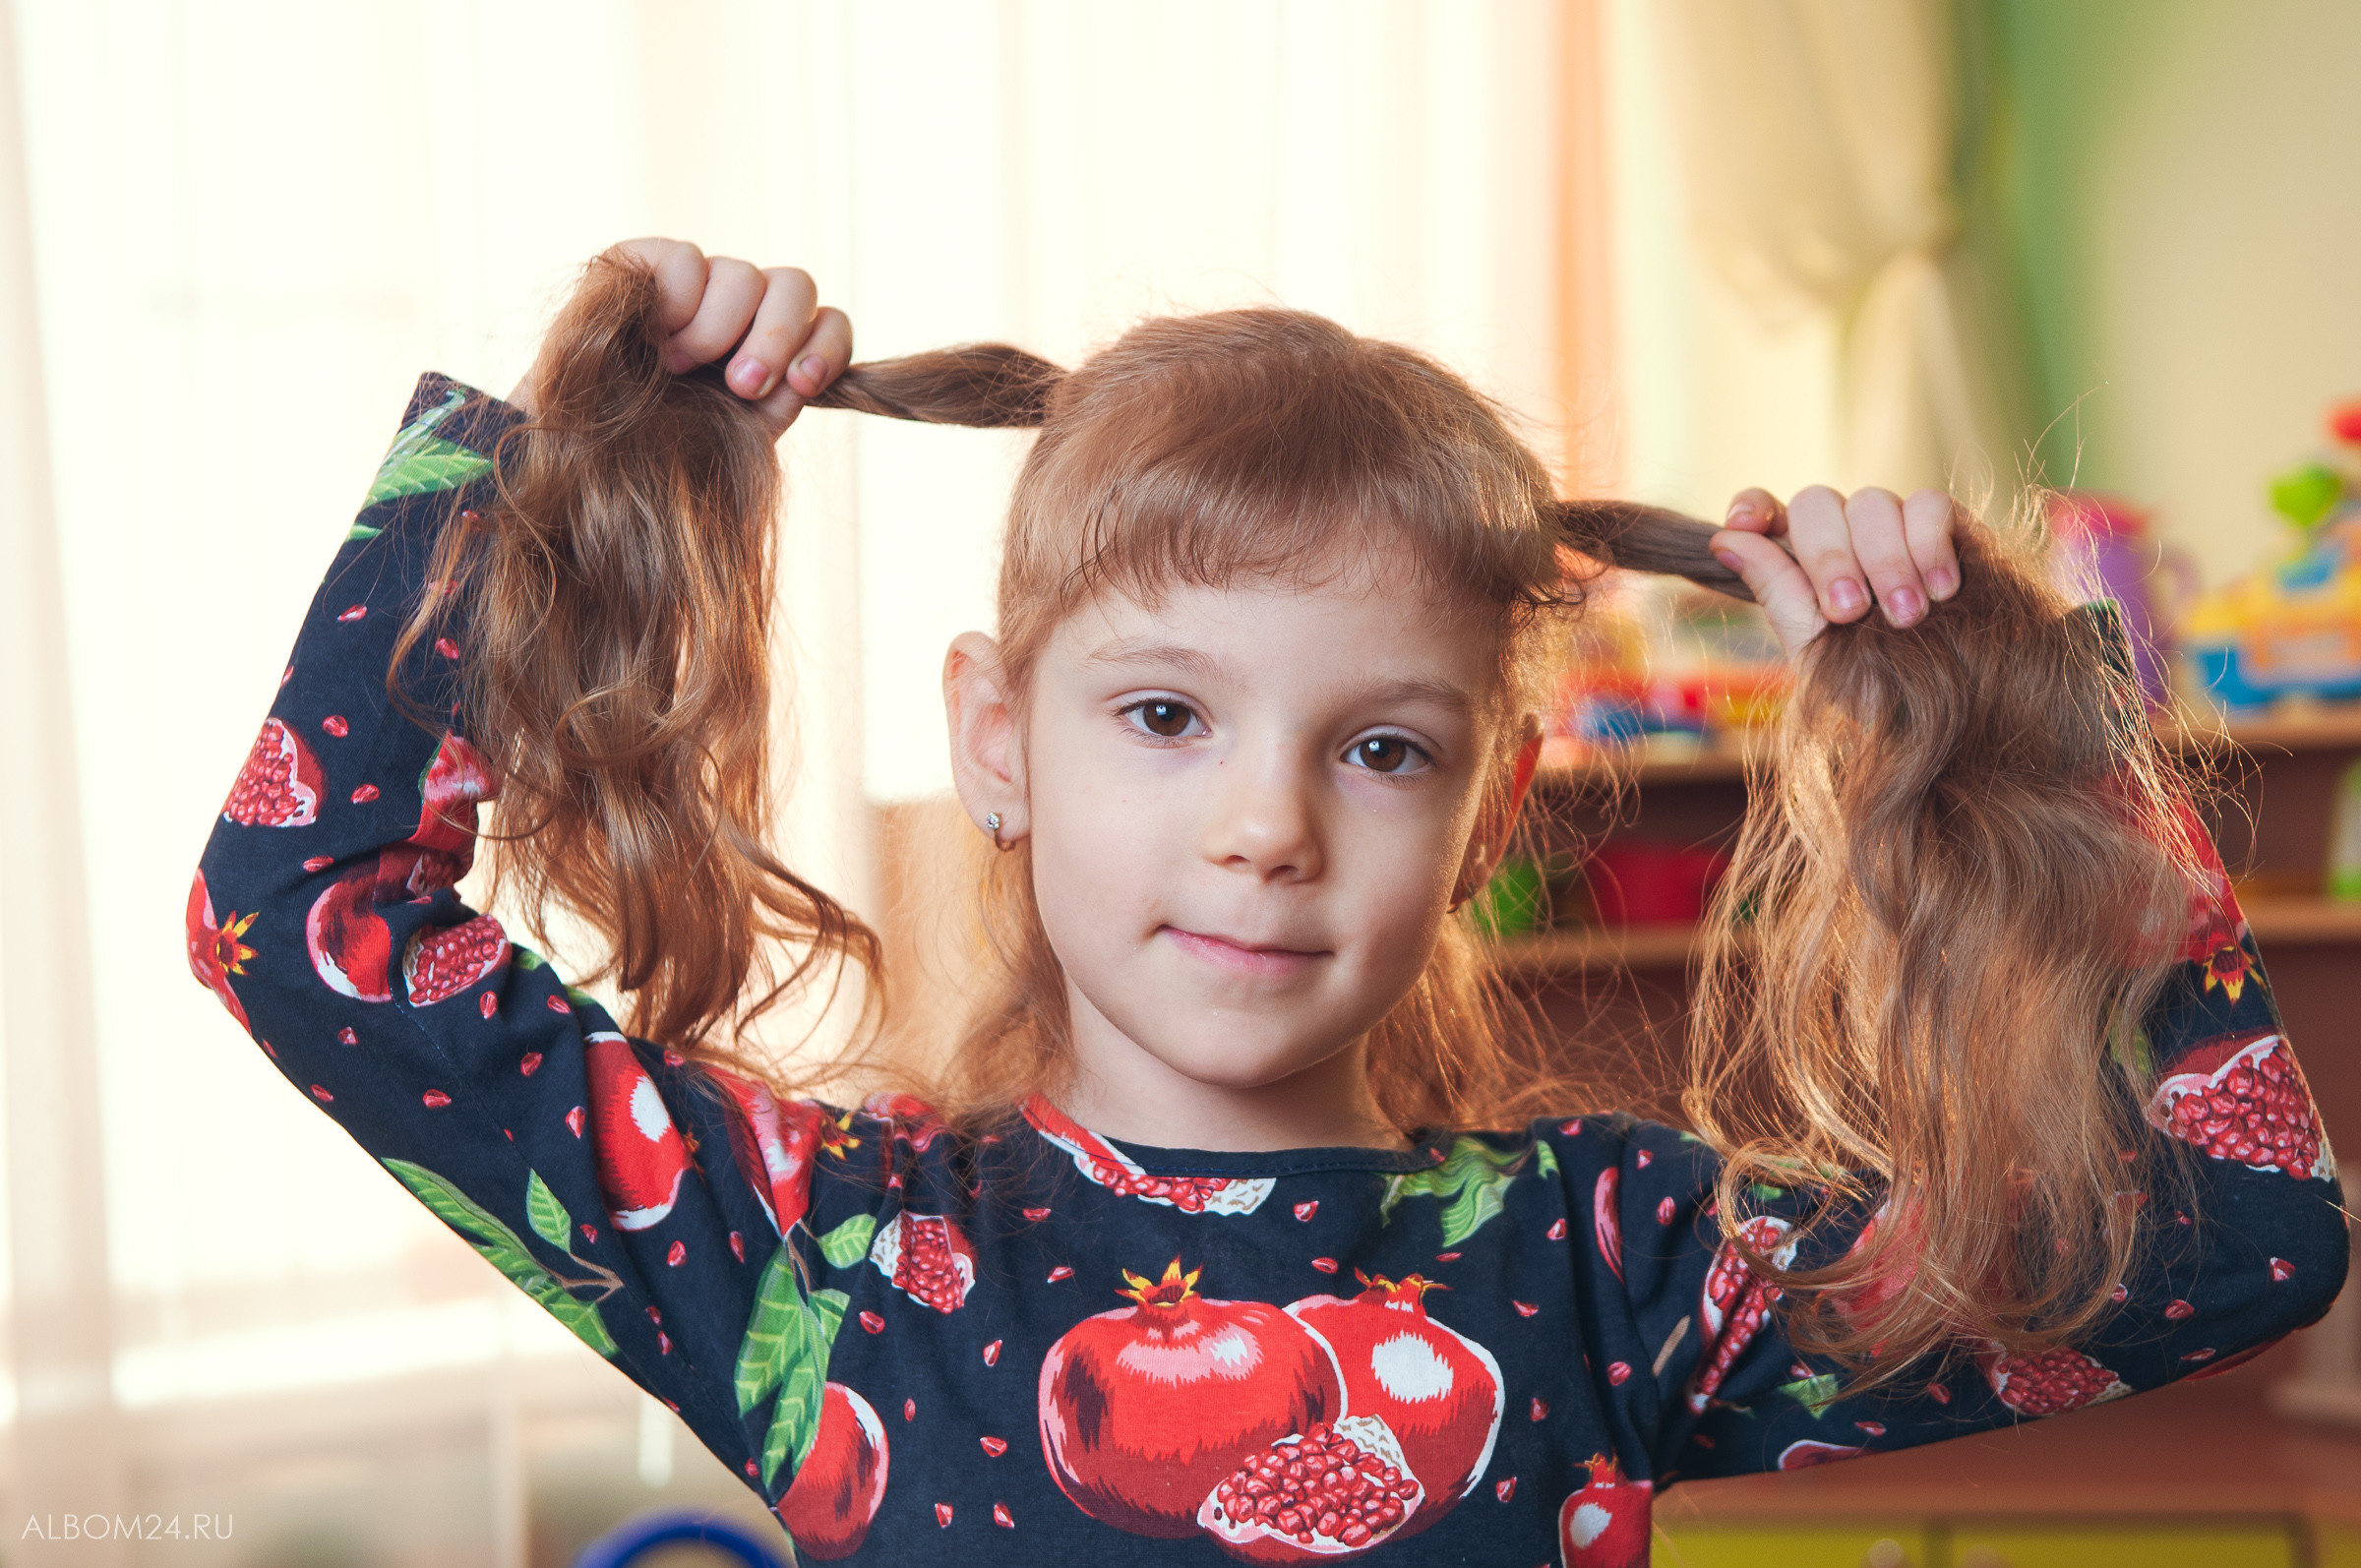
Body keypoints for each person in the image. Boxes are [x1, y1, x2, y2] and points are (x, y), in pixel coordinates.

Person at [190, 239, 2347, 1565]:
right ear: (1000, 738)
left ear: (1490, 804)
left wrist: (2017, 731)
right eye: (1162, 714)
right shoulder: (822, 1257)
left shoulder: (1607, 1263)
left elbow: (2239, 1246)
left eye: (1380, 746)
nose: (1266, 824)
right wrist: (554, 463)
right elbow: (294, 916)